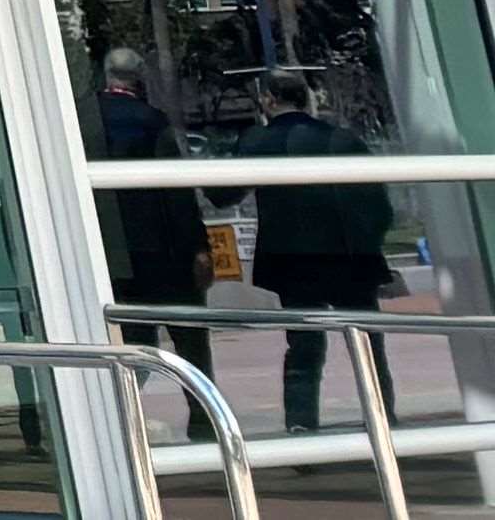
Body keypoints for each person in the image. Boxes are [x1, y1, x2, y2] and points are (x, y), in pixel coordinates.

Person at [247, 71, 395, 440]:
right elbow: (379, 204)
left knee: (304, 346)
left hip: (293, 260)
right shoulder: (341, 139)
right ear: (306, 98)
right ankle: (383, 417)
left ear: (269, 99)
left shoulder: (259, 142)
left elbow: (221, 195)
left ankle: (301, 425)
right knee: (366, 342)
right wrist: (368, 242)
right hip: (349, 256)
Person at [91, 49, 211, 318]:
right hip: (162, 245)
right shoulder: (152, 121)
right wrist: (198, 245)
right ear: (140, 77)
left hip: (111, 247)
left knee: (132, 328)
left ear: (106, 75)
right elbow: (177, 191)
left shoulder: (85, 123)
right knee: (186, 324)